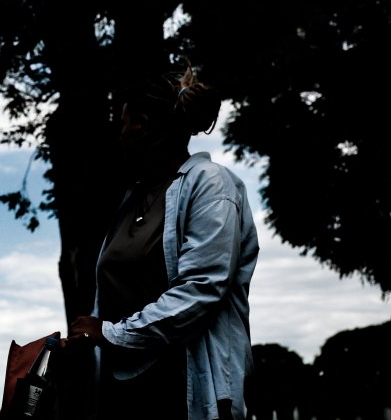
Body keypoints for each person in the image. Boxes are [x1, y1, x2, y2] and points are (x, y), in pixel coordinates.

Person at [63, 63, 260, 420]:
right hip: (124, 393)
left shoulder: (211, 185)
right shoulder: (133, 198)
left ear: (144, 125)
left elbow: (202, 288)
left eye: (124, 123)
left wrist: (111, 334)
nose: (119, 134)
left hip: (184, 392)